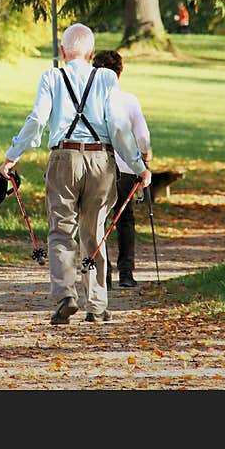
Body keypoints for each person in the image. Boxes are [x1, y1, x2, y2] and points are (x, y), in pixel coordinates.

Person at [0, 23, 151, 325]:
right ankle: (97, 305)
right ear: (91, 53)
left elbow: (37, 120)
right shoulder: (107, 78)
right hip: (100, 160)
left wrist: (12, 156)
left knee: (60, 230)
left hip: (63, 158)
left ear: (63, 51)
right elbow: (120, 128)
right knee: (94, 232)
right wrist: (138, 166)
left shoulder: (52, 77)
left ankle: (66, 296)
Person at [92, 50, 151, 289]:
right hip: (126, 166)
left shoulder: (91, 101)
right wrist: (145, 157)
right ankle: (126, 273)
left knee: (99, 219)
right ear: (120, 72)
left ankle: (103, 274)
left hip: (98, 165)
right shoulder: (128, 100)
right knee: (125, 219)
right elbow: (142, 135)